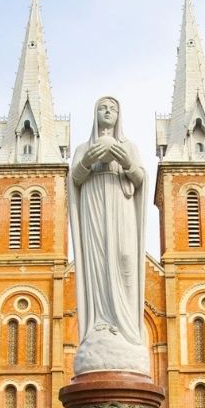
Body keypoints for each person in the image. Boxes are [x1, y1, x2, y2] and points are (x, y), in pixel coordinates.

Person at [68, 95, 149, 375]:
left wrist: (127, 162)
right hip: (94, 214)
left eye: (112, 108)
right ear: (94, 114)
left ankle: (126, 330)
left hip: (122, 210)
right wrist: (87, 161)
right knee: (98, 268)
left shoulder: (130, 146)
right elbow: (74, 180)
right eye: (102, 107)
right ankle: (99, 324)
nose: (107, 111)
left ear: (119, 115)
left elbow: (140, 179)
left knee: (126, 259)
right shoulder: (82, 148)